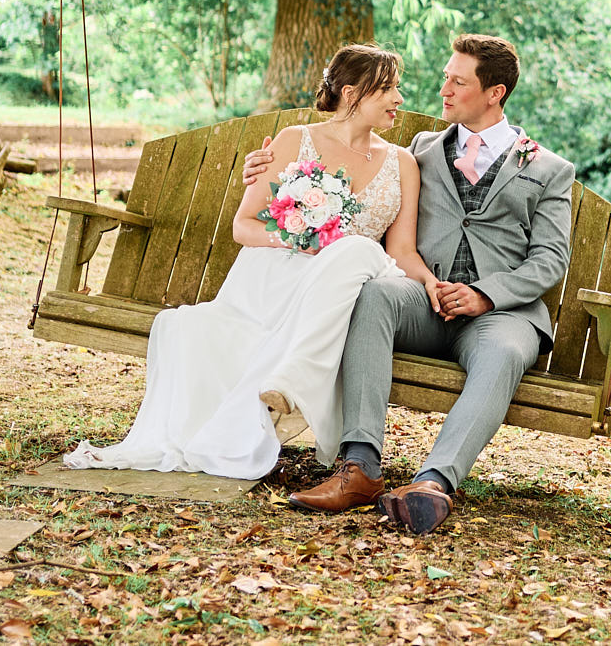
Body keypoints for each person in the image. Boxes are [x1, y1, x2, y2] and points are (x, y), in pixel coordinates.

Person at [245, 33, 574, 534]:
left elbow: (550, 260)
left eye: (458, 82)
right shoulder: (420, 150)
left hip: (501, 316)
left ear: (495, 93)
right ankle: (359, 466)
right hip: (423, 299)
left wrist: (485, 295)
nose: (444, 89)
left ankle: (433, 484)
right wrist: (261, 173)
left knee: (505, 353)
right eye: (446, 77)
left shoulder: (547, 169)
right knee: (375, 294)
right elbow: (351, 172)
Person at [60, 44, 424, 479]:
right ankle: (288, 381)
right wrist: (299, 237)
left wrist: (432, 285)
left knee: (358, 248)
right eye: (387, 88)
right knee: (351, 250)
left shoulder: (403, 163)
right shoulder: (295, 142)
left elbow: (402, 254)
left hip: (340, 290)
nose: (399, 98)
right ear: (351, 93)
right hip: (274, 278)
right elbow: (243, 226)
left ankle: (292, 381)